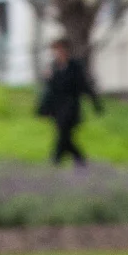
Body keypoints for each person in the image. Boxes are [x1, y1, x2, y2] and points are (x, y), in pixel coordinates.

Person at [35, 38, 100, 166]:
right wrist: (48, 79)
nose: (58, 53)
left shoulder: (75, 66)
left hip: (71, 106)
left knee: (63, 133)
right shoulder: (53, 67)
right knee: (65, 136)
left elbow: (84, 85)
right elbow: (50, 90)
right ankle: (80, 159)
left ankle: (56, 160)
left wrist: (95, 103)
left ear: (66, 50)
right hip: (57, 107)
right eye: (55, 50)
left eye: (60, 49)